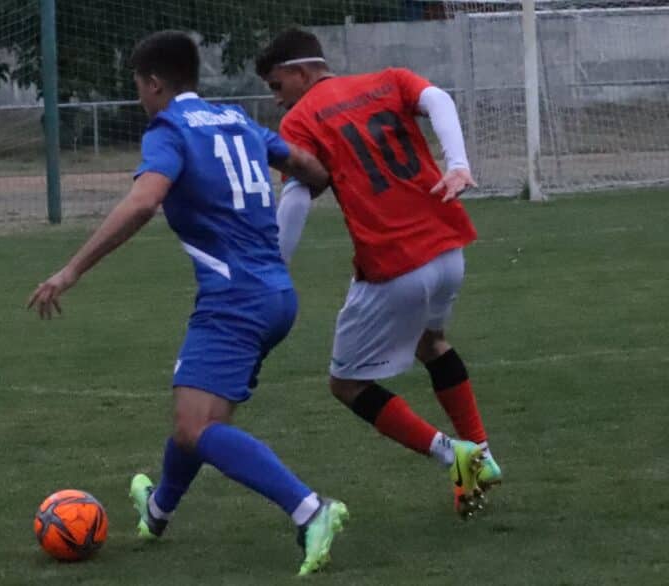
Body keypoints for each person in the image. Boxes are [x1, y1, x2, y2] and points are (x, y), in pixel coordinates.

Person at [28, 31, 347, 575]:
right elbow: (309, 166)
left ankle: (310, 509)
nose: (139, 97)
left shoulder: (169, 129)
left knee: (197, 427)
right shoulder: (235, 119)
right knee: (196, 420)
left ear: (154, 83)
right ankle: (157, 511)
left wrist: (71, 269)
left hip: (234, 300)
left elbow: (143, 202)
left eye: (138, 86)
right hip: (276, 294)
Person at [255, 29, 503, 517]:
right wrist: (457, 164)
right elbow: (438, 98)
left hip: (393, 264)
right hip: (448, 248)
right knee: (432, 343)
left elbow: (297, 199)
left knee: (346, 385)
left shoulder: (300, 120)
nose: (277, 99)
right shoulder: (388, 80)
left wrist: (273, 270)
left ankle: (455, 455)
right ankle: (482, 453)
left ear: (300, 72)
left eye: (276, 86)